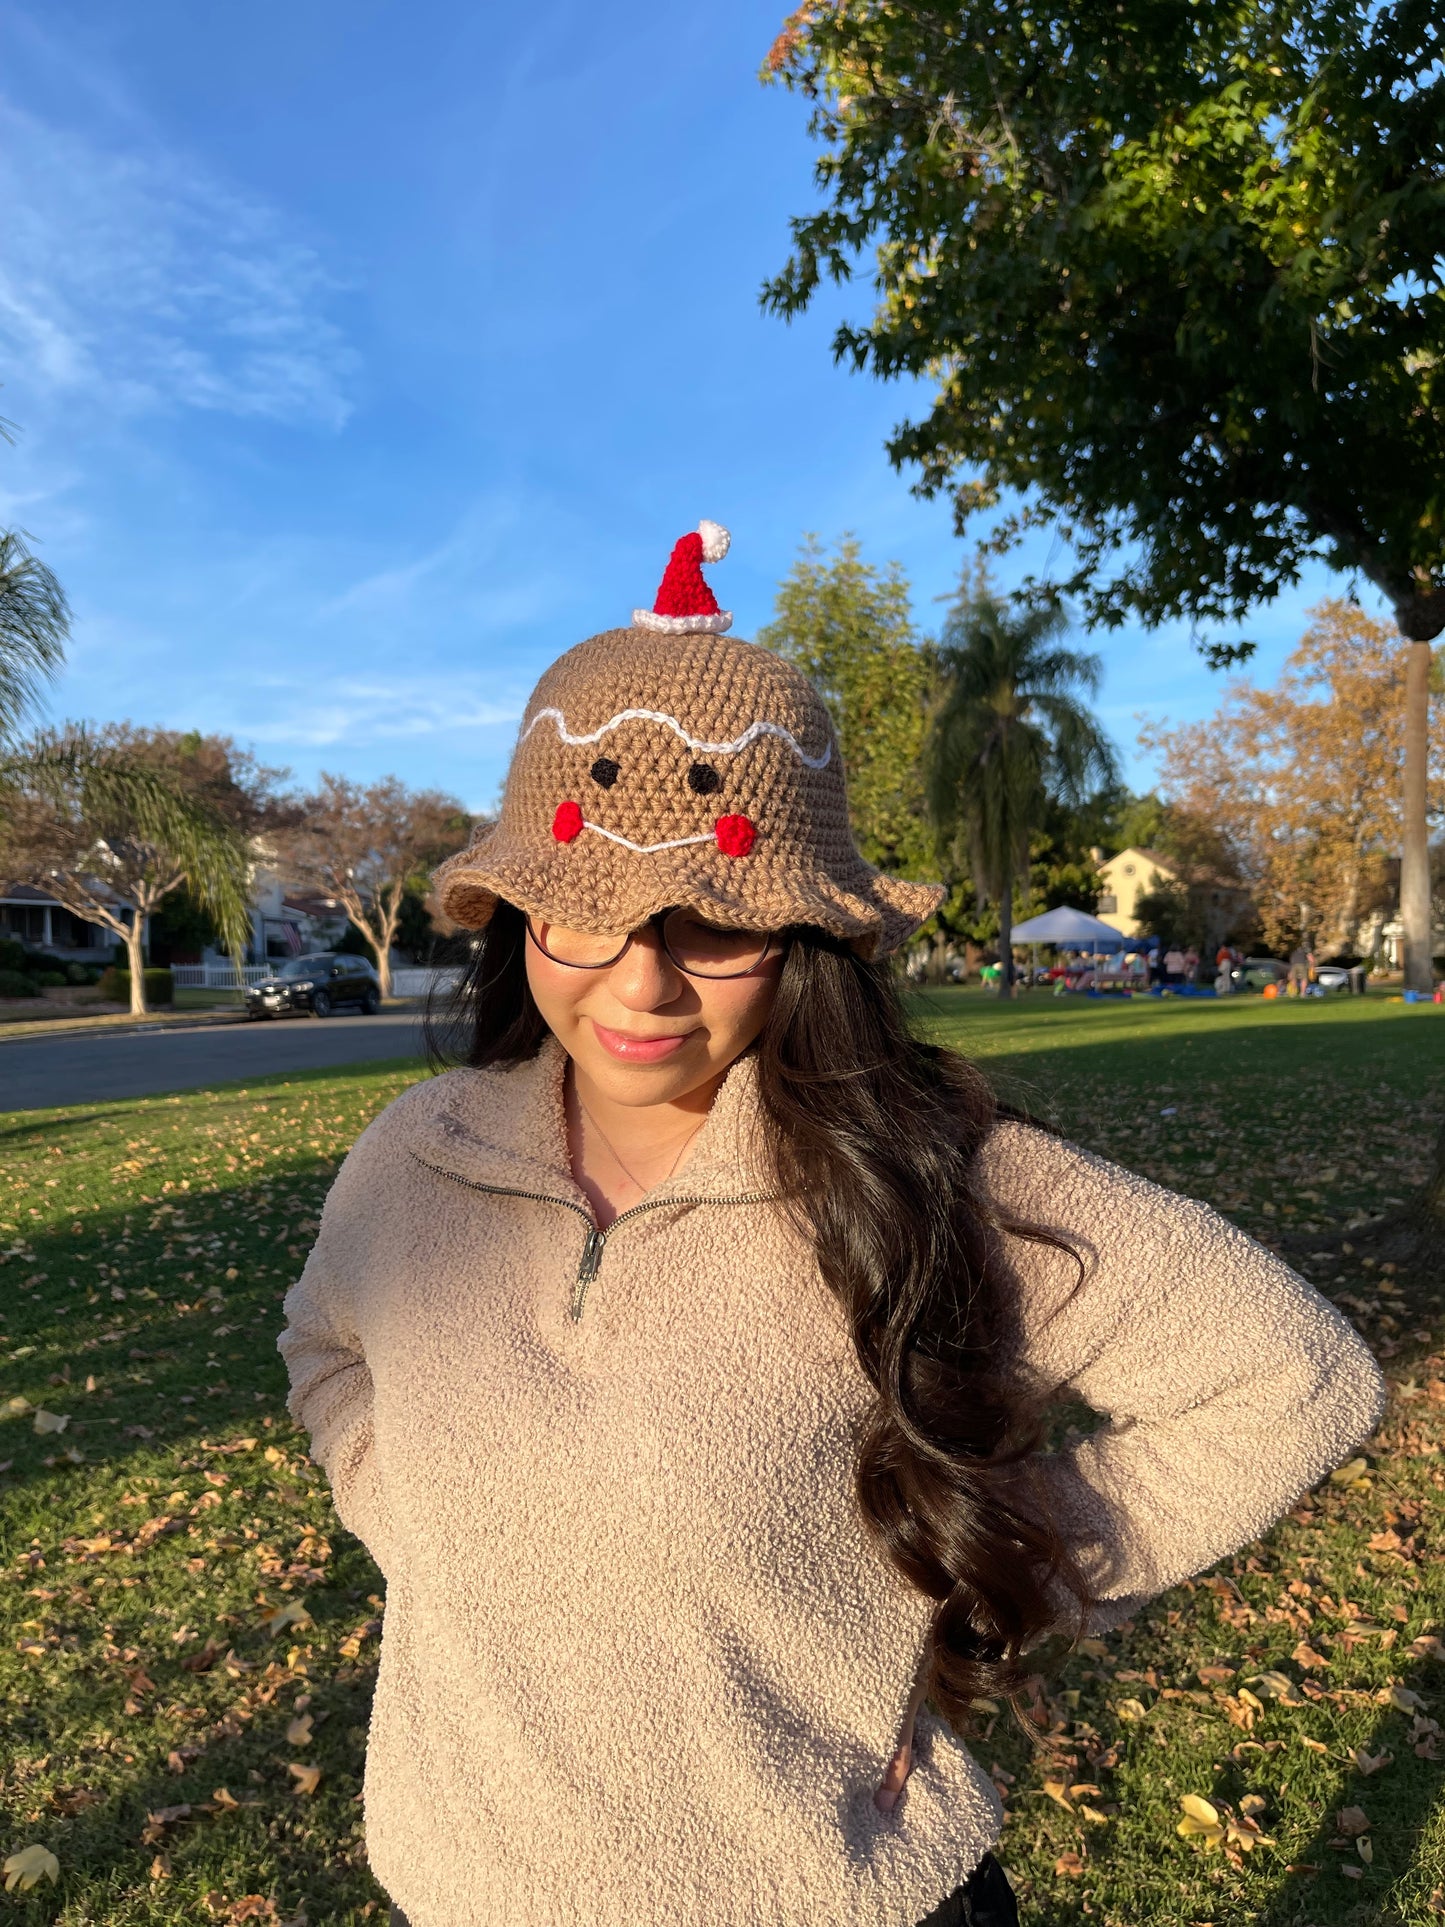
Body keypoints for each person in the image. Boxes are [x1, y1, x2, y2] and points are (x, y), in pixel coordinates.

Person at [278, 523, 1384, 1927]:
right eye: (584, 918)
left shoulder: (933, 1180)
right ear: (516, 919)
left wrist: (981, 1556)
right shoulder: (409, 1157)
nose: (642, 984)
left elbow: (1292, 1381)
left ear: (803, 938)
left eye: (710, 926)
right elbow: (325, 1344)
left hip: (830, 1895)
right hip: (461, 1879)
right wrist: (414, 1509)